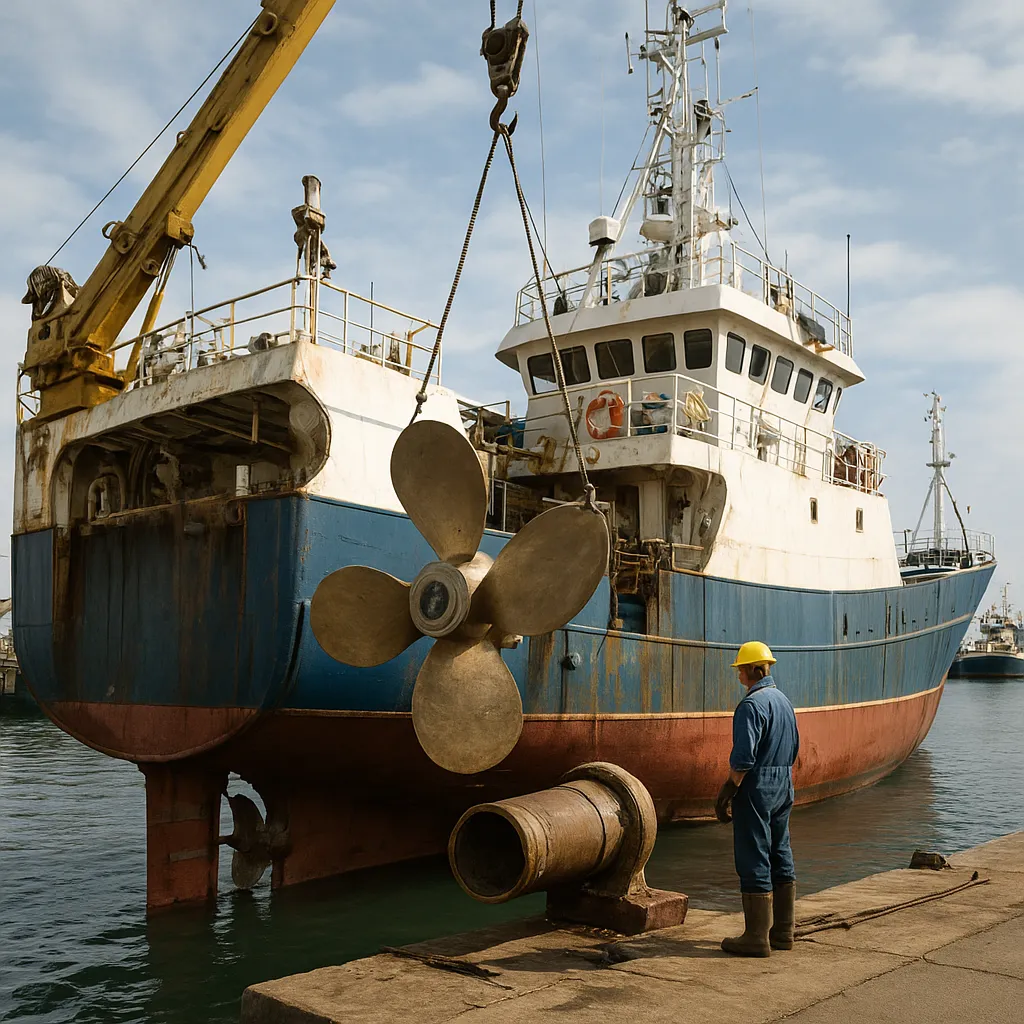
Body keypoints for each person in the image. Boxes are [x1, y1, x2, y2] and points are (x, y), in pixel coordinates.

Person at [715, 641, 800, 958]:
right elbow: (794, 747)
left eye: (740, 668)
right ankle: (783, 932)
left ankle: (755, 937)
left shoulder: (751, 706)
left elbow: (744, 757)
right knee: (780, 849)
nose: (738, 673)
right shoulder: (783, 701)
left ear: (753, 669)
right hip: (784, 782)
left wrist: (728, 790)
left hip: (756, 784)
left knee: (753, 853)